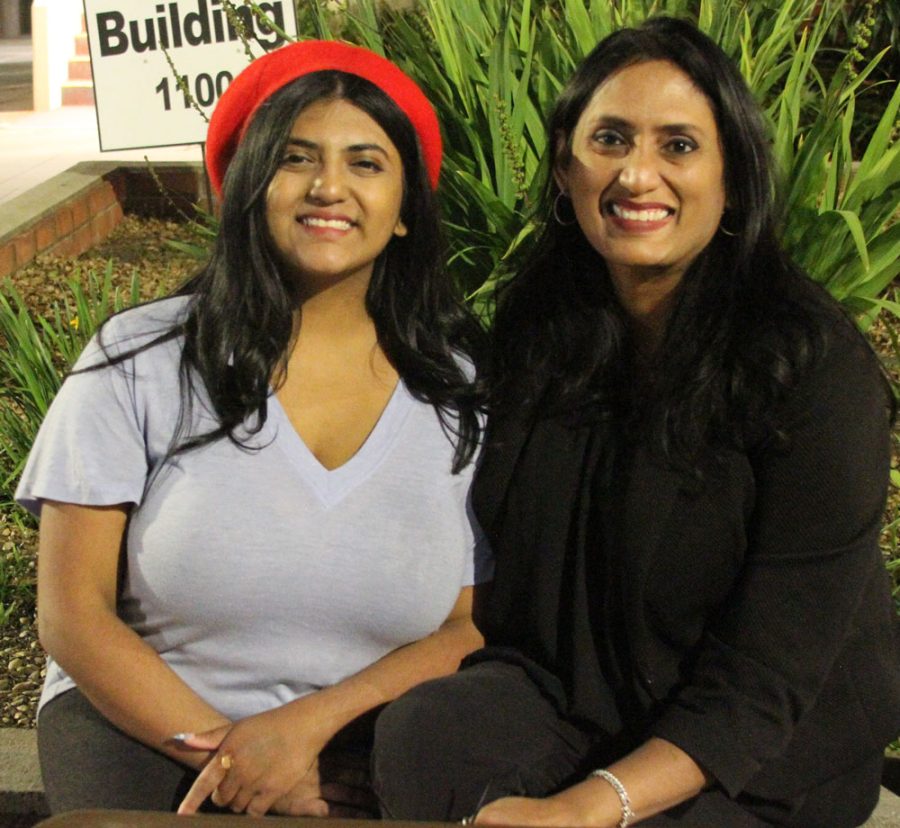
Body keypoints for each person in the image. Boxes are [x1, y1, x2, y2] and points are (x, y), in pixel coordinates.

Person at [372, 16, 900, 828]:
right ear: (564, 166)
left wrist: (593, 805)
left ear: (734, 174)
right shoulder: (542, 331)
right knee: (425, 738)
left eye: (678, 146)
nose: (636, 175)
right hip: (581, 703)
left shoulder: (811, 370)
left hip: (761, 746)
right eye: (610, 139)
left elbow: (767, 677)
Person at [16, 39, 491, 817]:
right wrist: (239, 757)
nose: (329, 187)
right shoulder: (139, 359)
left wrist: (306, 731)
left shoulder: (462, 391)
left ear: (407, 210)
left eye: (366, 163)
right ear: (247, 186)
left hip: (363, 748)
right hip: (151, 736)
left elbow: (468, 626)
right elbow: (74, 615)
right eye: (296, 159)